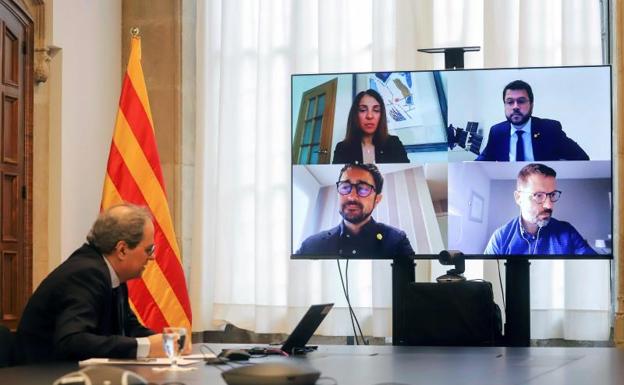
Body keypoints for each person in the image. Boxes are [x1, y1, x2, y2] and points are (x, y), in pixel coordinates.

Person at [16, 204, 187, 363]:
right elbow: (72, 341)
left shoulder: (110, 272)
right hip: (41, 375)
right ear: (122, 250)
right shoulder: (86, 273)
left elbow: (127, 326)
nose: (152, 257)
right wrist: (145, 347)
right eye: (148, 249)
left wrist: (167, 342)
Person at [296, 163, 414, 258]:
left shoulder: (396, 241)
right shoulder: (311, 245)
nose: (351, 196)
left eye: (362, 189)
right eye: (345, 187)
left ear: (377, 199)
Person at [484, 163, 596, 255]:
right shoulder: (500, 239)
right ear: (519, 198)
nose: (549, 205)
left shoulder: (567, 233)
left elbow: (593, 267)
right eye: (538, 195)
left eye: (552, 195)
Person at [476, 80, 589, 161]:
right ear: (504, 105)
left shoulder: (549, 129)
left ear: (531, 105)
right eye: (510, 102)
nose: (515, 106)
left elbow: (581, 158)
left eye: (521, 101)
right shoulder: (497, 132)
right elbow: (481, 163)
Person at [332, 89, 409, 164]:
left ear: (381, 115)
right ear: (355, 114)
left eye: (376, 110)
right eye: (362, 110)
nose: (369, 116)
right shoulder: (342, 148)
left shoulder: (394, 143)